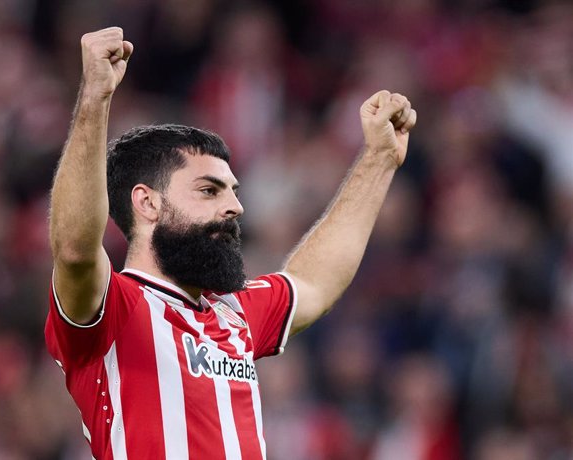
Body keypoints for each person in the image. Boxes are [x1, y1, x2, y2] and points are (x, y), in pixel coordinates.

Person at [45, 27, 416, 460]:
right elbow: (74, 250)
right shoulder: (113, 308)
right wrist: (95, 99)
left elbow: (313, 282)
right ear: (147, 203)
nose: (235, 207)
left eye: (233, 191)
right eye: (209, 191)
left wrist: (379, 160)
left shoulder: (233, 312)